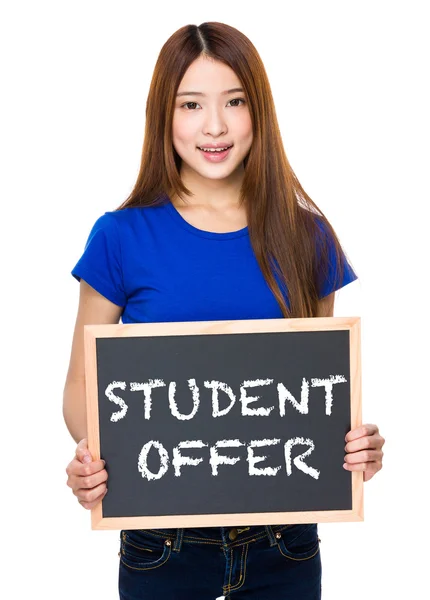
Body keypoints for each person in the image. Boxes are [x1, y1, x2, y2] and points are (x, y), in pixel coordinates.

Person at [63, 21, 385, 600]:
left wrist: (357, 447)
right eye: (192, 104)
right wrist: (95, 460)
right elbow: (81, 389)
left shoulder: (305, 237)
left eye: (234, 101)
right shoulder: (120, 238)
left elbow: (316, 391)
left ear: (258, 112)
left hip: (284, 545)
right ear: (165, 115)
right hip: (162, 546)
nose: (215, 125)